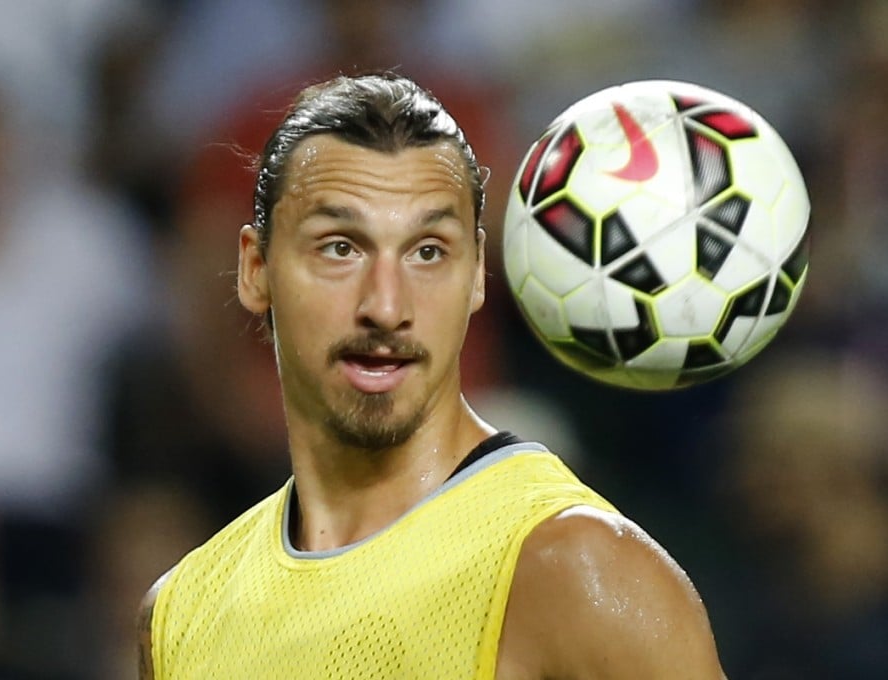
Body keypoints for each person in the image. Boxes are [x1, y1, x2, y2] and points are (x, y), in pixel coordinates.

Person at [137, 73, 726, 679]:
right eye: (340, 247)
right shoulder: (181, 613)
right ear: (256, 269)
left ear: (476, 276)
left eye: (428, 252)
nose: (387, 307)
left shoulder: (579, 569)